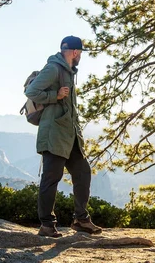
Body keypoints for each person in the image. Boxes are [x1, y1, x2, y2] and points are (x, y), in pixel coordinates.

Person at [25, 35, 102, 237]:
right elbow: (32, 91)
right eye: (81, 53)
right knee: (51, 178)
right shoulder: (53, 68)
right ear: (75, 52)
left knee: (83, 172)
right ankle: (47, 225)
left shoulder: (68, 71)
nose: (80, 57)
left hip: (70, 136)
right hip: (54, 135)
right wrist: (54, 96)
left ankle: (81, 220)